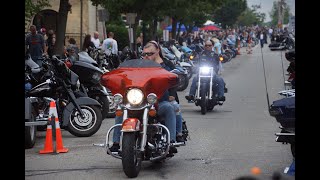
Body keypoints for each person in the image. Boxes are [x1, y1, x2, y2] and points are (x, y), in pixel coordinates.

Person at [109, 40, 182, 154]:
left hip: (158, 101)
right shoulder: (139, 65)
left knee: (169, 107)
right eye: (144, 54)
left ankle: (171, 141)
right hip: (138, 101)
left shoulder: (166, 65)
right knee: (122, 108)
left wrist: (172, 93)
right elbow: (128, 75)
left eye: (150, 54)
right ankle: (116, 143)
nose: (146, 56)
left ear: (157, 51)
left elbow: (174, 77)